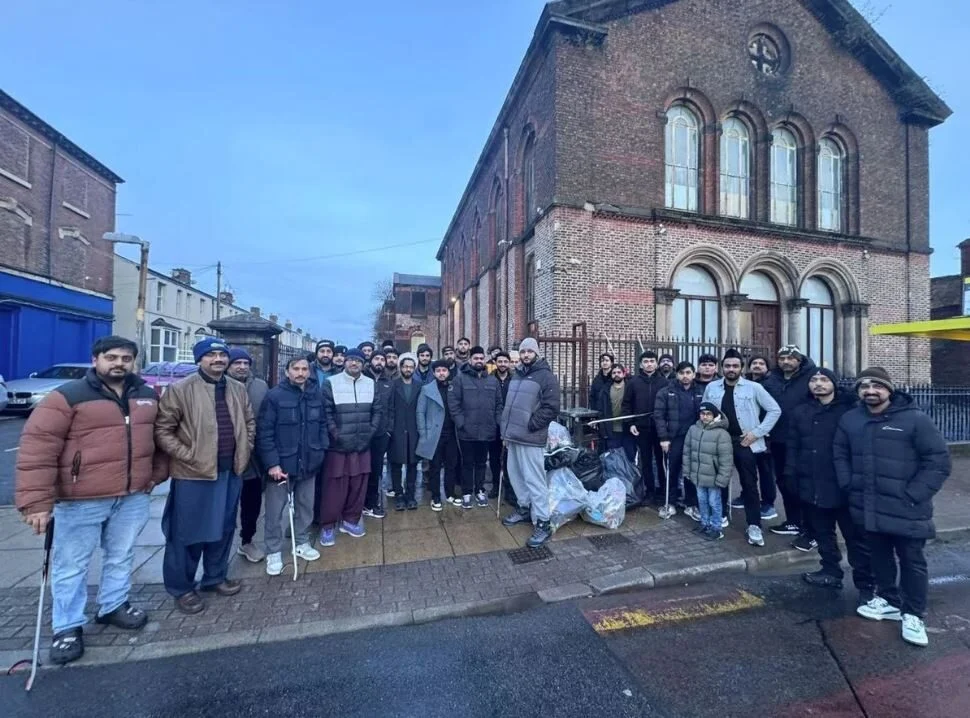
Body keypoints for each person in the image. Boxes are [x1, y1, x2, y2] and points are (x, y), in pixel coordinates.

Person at [15, 336, 168, 665]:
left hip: (132, 495)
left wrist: (155, 474)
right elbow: (38, 449)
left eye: (126, 358)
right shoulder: (67, 397)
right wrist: (37, 502)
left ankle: (114, 604)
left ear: (134, 362)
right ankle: (67, 627)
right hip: (80, 497)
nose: (119, 364)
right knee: (71, 564)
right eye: (111, 357)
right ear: (96, 359)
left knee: (121, 555)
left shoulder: (145, 395)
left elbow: (159, 439)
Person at [834, 367, 950, 647]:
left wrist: (914, 494)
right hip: (868, 505)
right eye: (864, 386)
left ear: (889, 389)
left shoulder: (915, 420)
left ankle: (913, 614)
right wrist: (848, 483)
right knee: (879, 558)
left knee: (912, 561)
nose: (870, 391)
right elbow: (840, 452)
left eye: (877, 386)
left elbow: (938, 461)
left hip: (906, 507)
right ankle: (889, 601)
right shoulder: (851, 419)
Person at [155, 337, 255, 614]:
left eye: (222, 355)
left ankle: (215, 577)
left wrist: (245, 450)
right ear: (199, 359)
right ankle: (182, 587)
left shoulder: (236, 388)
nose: (218, 360)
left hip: (230, 471)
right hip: (194, 475)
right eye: (211, 356)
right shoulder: (181, 389)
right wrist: (188, 456)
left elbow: (248, 422)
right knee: (186, 534)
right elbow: (163, 430)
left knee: (223, 530)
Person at [786, 368, 873, 600]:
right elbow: (793, 445)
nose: (818, 384)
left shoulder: (849, 410)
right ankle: (830, 572)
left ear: (833, 384)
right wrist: (790, 473)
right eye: (814, 380)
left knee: (855, 538)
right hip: (811, 483)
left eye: (824, 380)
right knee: (823, 533)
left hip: (841, 485)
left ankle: (866, 584)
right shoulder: (801, 411)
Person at [256, 357, 327, 576]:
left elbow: (323, 424)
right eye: (295, 369)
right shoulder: (275, 396)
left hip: (309, 462)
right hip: (282, 465)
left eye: (304, 369)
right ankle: (274, 550)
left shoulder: (316, 394)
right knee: (275, 512)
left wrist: (321, 450)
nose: (300, 373)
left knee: (306, 507)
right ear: (287, 372)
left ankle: (301, 540)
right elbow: (264, 431)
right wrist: (272, 463)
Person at [702, 349, 780, 547]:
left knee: (749, 484)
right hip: (720, 441)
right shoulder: (712, 387)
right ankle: (720, 517)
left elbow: (774, 410)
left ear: (741, 368)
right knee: (719, 481)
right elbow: (705, 411)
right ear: (722, 367)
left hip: (745, 442)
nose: (731, 369)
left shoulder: (754, 388)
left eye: (735, 366)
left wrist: (756, 433)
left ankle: (754, 524)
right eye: (727, 366)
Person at [318, 348, 384, 546]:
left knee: (359, 484)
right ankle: (328, 525)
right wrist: (336, 435)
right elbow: (326, 413)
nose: (354, 364)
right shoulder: (332, 383)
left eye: (358, 361)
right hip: (338, 445)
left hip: (363, 443)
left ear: (363, 364)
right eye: (351, 360)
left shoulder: (371, 383)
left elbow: (377, 412)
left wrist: (369, 433)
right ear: (345, 362)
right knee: (334, 487)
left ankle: (350, 520)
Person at [500, 338, 561, 547]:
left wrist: (531, 424)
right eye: (523, 351)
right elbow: (510, 405)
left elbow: (551, 407)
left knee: (535, 480)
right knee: (516, 475)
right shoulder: (516, 374)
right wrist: (505, 432)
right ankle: (524, 508)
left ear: (536, 353)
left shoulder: (546, 377)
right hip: (513, 437)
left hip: (531, 437)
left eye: (529, 351)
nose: (525, 355)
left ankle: (543, 522)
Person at [762, 345, 817, 542]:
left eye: (790, 358)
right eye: (782, 358)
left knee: (802, 483)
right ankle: (793, 521)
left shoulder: (812, 378)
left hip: (802, 440)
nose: (786, 362)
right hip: (777, 438)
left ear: (799, 360)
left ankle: (811, 527)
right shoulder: (772, 379)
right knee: (784, 482)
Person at [227, 348, 269, 564]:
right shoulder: (219, 386)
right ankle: (220, 547)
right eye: (237, 363)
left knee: (251, 502)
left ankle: (247, 541)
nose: (242, 367)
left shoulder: (260, 386)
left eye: (245, 363)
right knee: (224, 505)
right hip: (224, 455)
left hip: (254, 455)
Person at [448, 346, 503, 509]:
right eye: (476, 358)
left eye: (481, 358)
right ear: (470, 360)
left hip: (487, 430)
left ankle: (479, 490)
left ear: (485, 359)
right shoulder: (460, 379)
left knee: (481, 463)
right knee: (467, 463)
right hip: (466, 431)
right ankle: (466, 493)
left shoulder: (492, 381)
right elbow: (453, 403)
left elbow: (499, 404)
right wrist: (461, 422)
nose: (479, 361)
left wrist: (497, 422)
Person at [654, 361, 706, 515]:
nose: (685, 376)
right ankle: (670, 503)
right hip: (673, 438)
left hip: (693, 437)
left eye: (688, 372)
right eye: (682, 373)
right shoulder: (665, 392)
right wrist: (663, 438)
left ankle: (691, 504)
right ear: (677, 374)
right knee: (672, 470)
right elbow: (659, 416)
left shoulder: (701, 391)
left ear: (694, 374)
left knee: (691, 471)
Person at [731, 353, 778, 521]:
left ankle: (768, 503)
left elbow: (773, 409)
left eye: (761, 363)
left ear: (767, 367)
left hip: (764, 434)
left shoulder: (771, 384)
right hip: (745, 436)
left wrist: (763, 431)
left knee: (766, 471)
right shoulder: (743, 384)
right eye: (754, 363)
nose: (757, 366)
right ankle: (746, 495)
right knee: (747, 470)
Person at [621, 350, 669, 504]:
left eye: (652, 361)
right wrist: (631, 423)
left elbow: (670, 405)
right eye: (646, 361)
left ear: (656, 363)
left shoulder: (664, 382)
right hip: (641, 428)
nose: (649, 364)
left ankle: (663, 489)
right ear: (641, 364)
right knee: (646, 461)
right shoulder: (633, 382)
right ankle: (650, 491)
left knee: (662, 460)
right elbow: (626, 404)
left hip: (660, 429)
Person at [682, 402, 733, 540]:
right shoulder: (693, 429)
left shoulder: (722, 434)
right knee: (702, 501)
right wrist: (687, 471)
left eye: (708, 414)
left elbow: (726, 459)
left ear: (714, 415)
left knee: (714, 502)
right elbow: (687, 451)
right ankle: (704, 523)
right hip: (698, 475)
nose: (705, 417)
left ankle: (716, 528)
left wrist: (723, 478)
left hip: (713, 477)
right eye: (702, 414)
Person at [417, 359, 462, 510]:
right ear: (434, 373)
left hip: (451, 434)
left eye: (444, 370)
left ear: (448, 372)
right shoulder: (426, 389)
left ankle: (449, 493)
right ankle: (435, 495)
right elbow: (420, 412)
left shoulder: (453, 387)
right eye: (438, 371)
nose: (441, 373)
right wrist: (423, 433)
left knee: (451, 465)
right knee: (434, 466)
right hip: (434, 434)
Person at [388, 353, 421, 511]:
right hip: (397, 430)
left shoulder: (419, 386)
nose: (408, 369)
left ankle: (411, 495)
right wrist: (390, 429)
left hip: (414, 430)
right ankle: (399, 495)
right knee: (396, 464)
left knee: (412, 465)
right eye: (405, 366)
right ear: (400, 367)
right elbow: (389, 408)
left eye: (410, 366)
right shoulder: (393, 385)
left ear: (414, 368)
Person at [363, 350, 393, 519]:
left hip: (381, 433)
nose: (380, 362)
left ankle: (372, 502)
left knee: (376, 469)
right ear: (371, 360)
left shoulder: (388, 382)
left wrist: (388, 430)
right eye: (377, 358)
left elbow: (391, 409)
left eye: (383, 359)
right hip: (363, 432)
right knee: (360, 469)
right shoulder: (362, 379)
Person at [488, 351, 516, 502]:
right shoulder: (489, 379)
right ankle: (495, 484)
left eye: (505, 361)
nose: (503, 364)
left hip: (511, 423)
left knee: (509, 458)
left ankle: (509, 488)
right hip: (494, 423)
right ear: (495, 362)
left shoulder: (515, 379)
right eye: (500, 361)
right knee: (494, 457)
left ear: (509, 363)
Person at [596, 364, 637, 461]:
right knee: (614, 458)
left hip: (628, 429)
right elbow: (601, 411)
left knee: (629, 456)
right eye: (614, 373)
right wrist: (603, 429)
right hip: (612, 430)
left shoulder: (631, 388)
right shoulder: (605, 390)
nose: (616, 374)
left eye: (619, 372)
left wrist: (634, 423)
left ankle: (629, 475)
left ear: (624, 374)